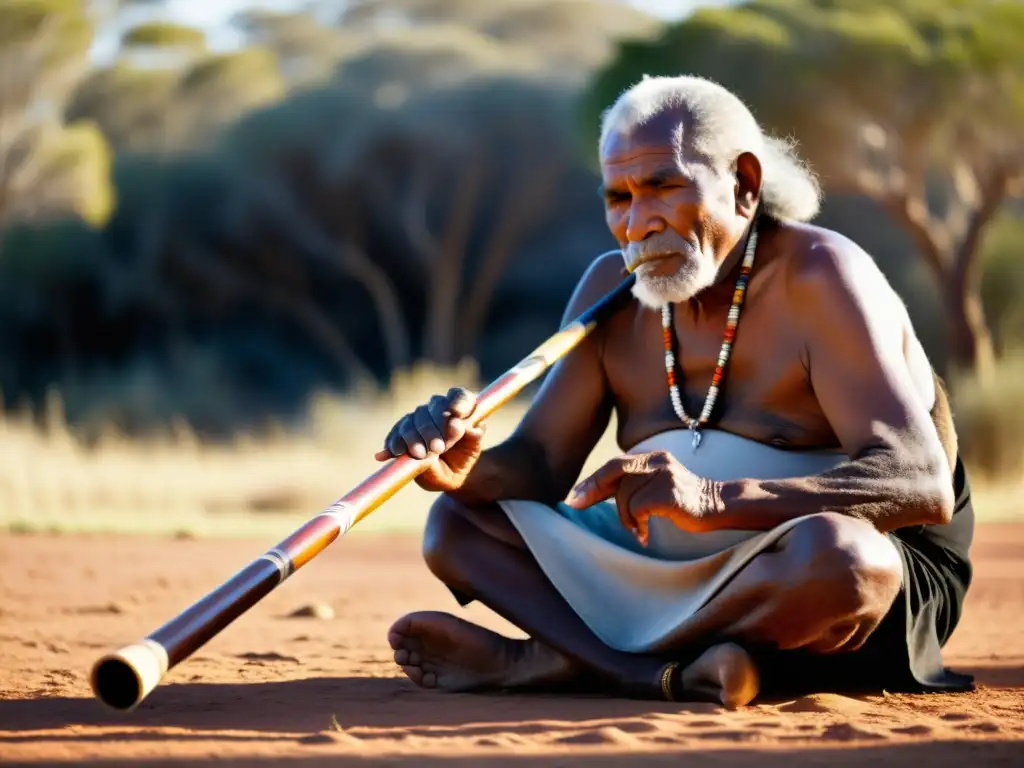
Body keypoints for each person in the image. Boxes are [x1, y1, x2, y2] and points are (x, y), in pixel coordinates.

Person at [375, 75, 975, 708]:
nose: (638, 223)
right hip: (664, 568)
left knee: (845, 561)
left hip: (829, 579)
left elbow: (917, 483)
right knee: (456, 525)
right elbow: (541, 466)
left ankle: (566, 661)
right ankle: (650, 672)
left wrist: (715, 499)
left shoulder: (819, 276)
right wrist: (468, 469)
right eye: (619, 197)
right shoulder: (610, 289)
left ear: (744, 184)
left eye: (663, 186)